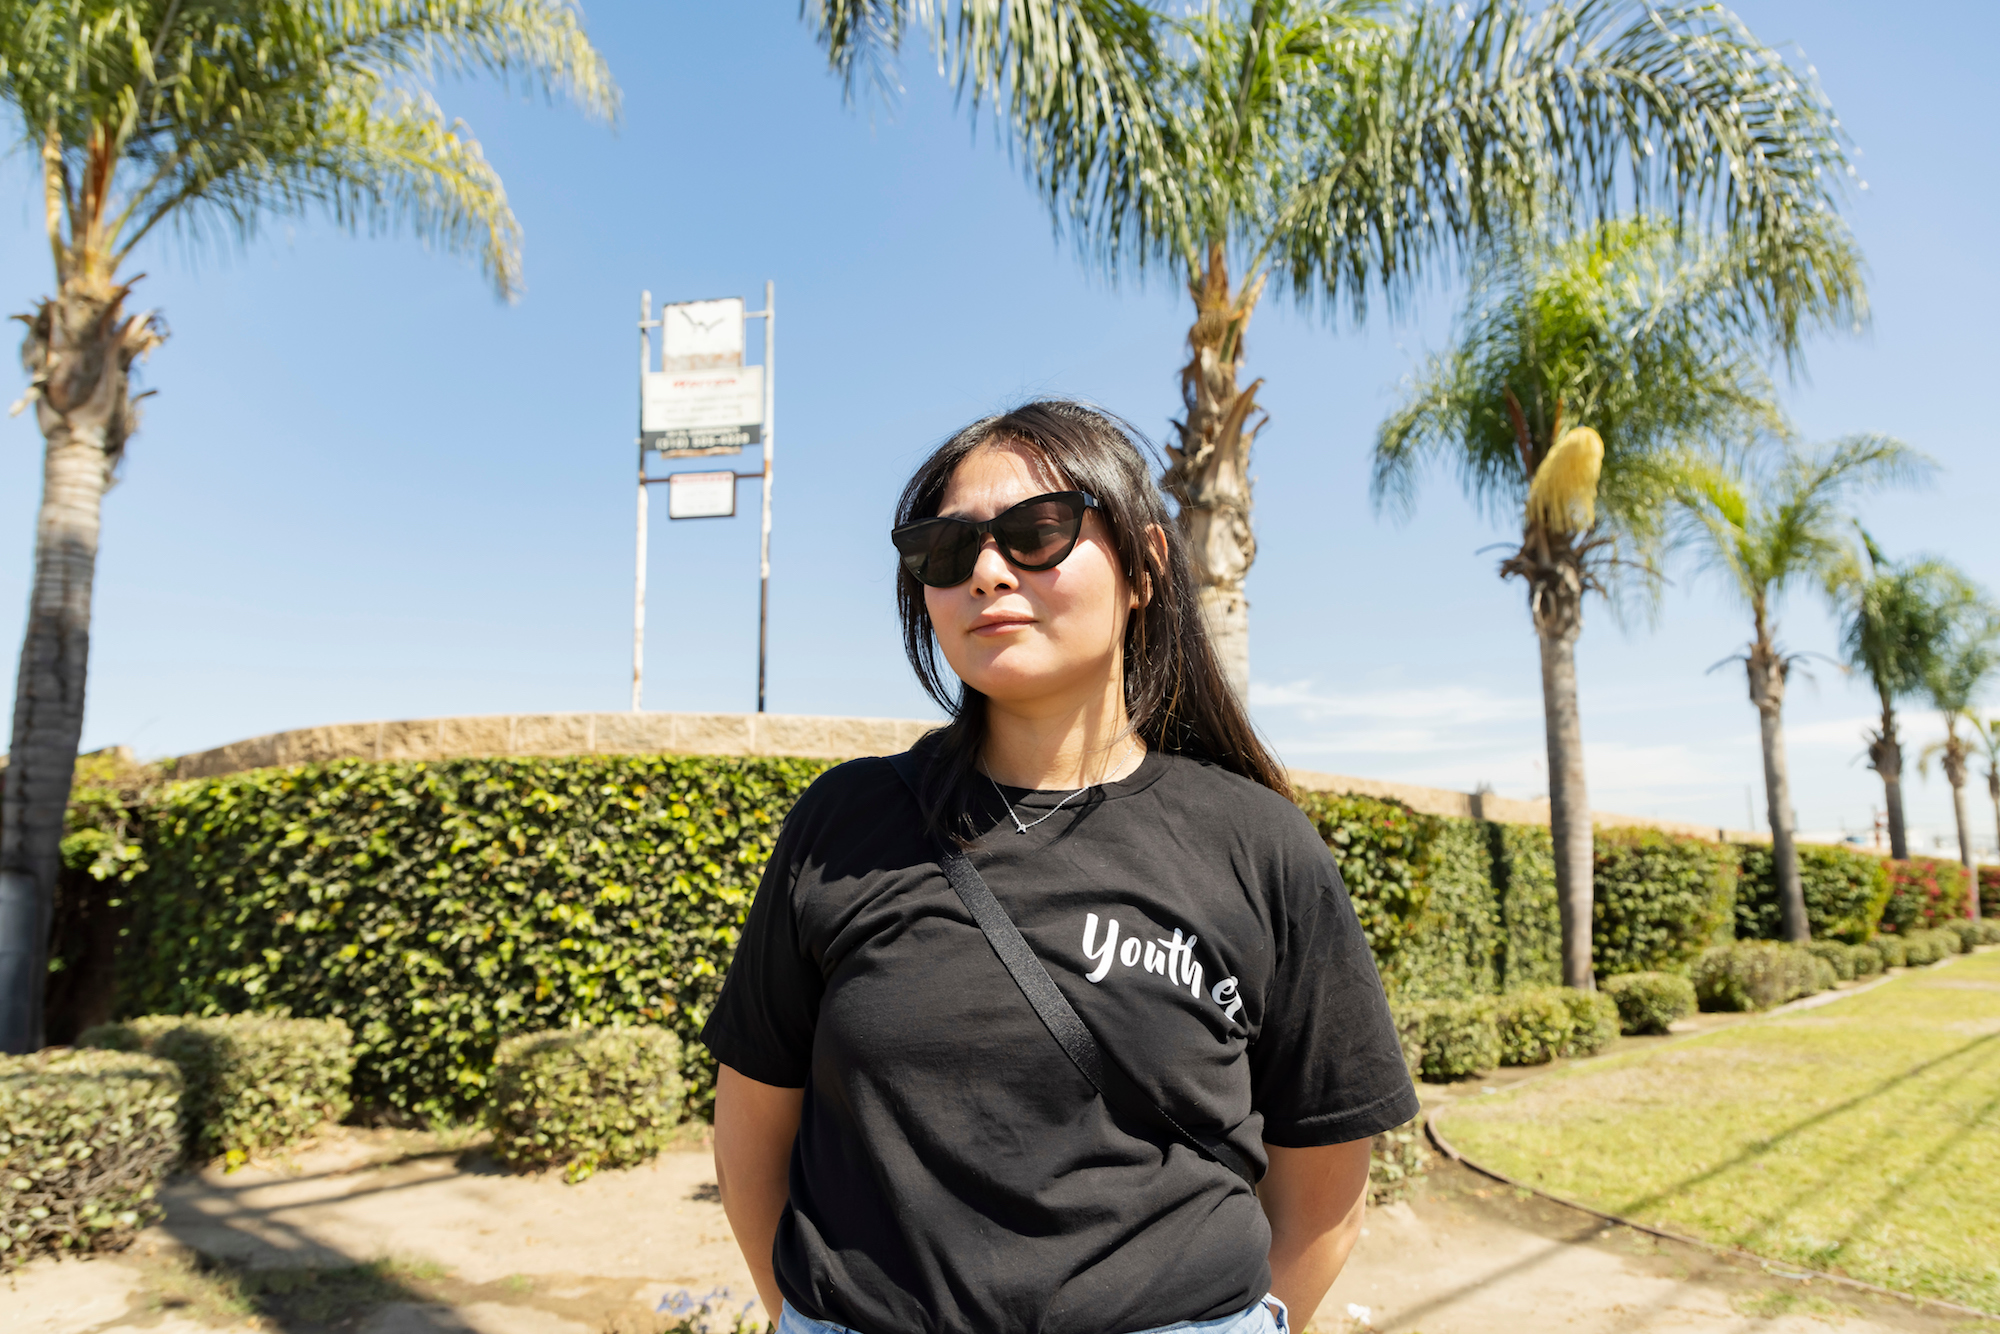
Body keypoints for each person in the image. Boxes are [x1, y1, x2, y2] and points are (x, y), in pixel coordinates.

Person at [702, 401, 1417, 1334]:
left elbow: (1325, 1167)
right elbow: (754, 1127)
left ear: (1146, 568)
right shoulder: (845, 823)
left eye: (1038, 533)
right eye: (945, 551)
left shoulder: (1259, 843)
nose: (987, 572)